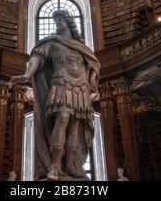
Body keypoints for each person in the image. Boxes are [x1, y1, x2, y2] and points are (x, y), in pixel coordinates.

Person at [11, 10, 100, 181]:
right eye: (55, 21)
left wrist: (91, 81)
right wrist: (27, 74)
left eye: (60, 20)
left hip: (80, 87)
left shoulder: (80, 47)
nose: (57, 23)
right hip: (61, 83)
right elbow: (37, 57)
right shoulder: (51, 42)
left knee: (74, 127)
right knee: (62, 119)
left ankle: (72, 167)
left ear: (68, 22)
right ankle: (54, 166)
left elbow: (94, 64)